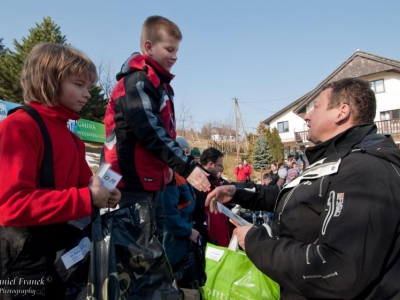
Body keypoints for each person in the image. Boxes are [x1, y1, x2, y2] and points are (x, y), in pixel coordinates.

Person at [206, 78, 400, 299]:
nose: (307, 116)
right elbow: (298, 197)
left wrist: (255, 242)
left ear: (341, 112)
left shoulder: (365, 169)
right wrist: (238, 193)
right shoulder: (337, 158)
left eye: (316, 107)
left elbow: (336, 268)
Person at [0, 43, 121, 299]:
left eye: (88, 86)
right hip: (21, 260)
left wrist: (106, 194)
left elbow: (84, 187)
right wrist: (87, 198)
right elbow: (11, 206)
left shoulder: (72, 138)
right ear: (48, 81)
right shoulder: (19, 126)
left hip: (58, 254)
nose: (87, 94)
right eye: (78, 84)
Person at [101, 16, 209, 298]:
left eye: (177, 51)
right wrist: (187, 166)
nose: (175, 57)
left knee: (149, 254)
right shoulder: (136, 82)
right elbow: (151, 132)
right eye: (169, 49)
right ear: (148, 46)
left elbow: (164, 136)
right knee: (131, 261)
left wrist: (169, 171)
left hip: (152, 184)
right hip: (128, 186)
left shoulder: (158, 84)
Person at [160, 136, 201, 288]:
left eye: (187, 151)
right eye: (181, 151)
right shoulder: (170, 178)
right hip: (173, 241)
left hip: (186, 236)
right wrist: (188, 231)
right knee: (176, 278)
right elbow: (168, 215)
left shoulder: (185, 176)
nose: (184, 155)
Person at [192, 147, 233, 247]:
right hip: (210, 240)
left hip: (218, 238)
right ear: (210, 164)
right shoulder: (200, 183)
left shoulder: (214, 181)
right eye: (219, 165)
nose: (221, 169)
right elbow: (199, 214)